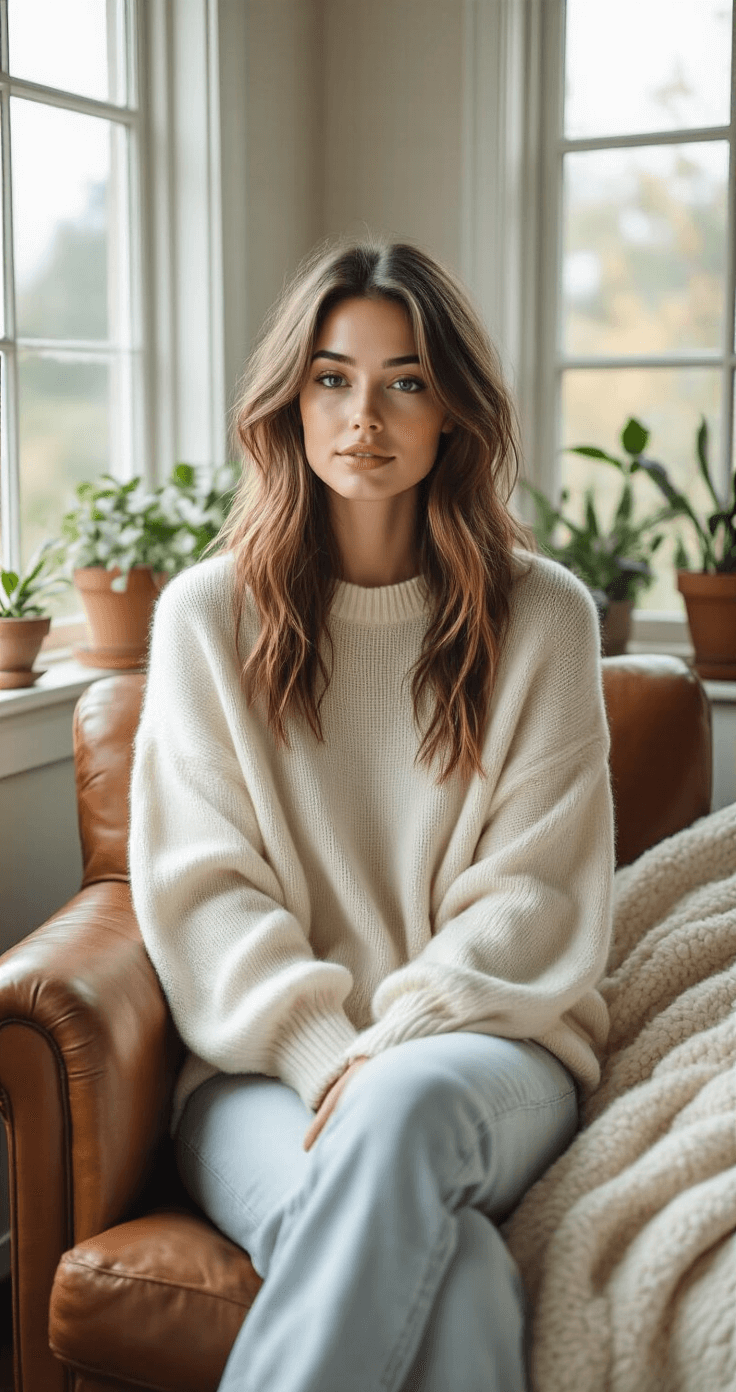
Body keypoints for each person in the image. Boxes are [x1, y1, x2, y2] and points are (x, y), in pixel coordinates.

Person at [128, 233, 615, 1392]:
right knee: (458, 1289)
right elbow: (202, 889)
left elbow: (535, 891)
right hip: (261, 1075)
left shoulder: (545, 617)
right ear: (289, 403)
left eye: (405, 381)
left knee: (396, 1108)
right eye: (332, 379)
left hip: (486, 1054)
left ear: (452, 410)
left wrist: (393, 1042)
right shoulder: (207, 617)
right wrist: (321, 1045)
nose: (365, 415)